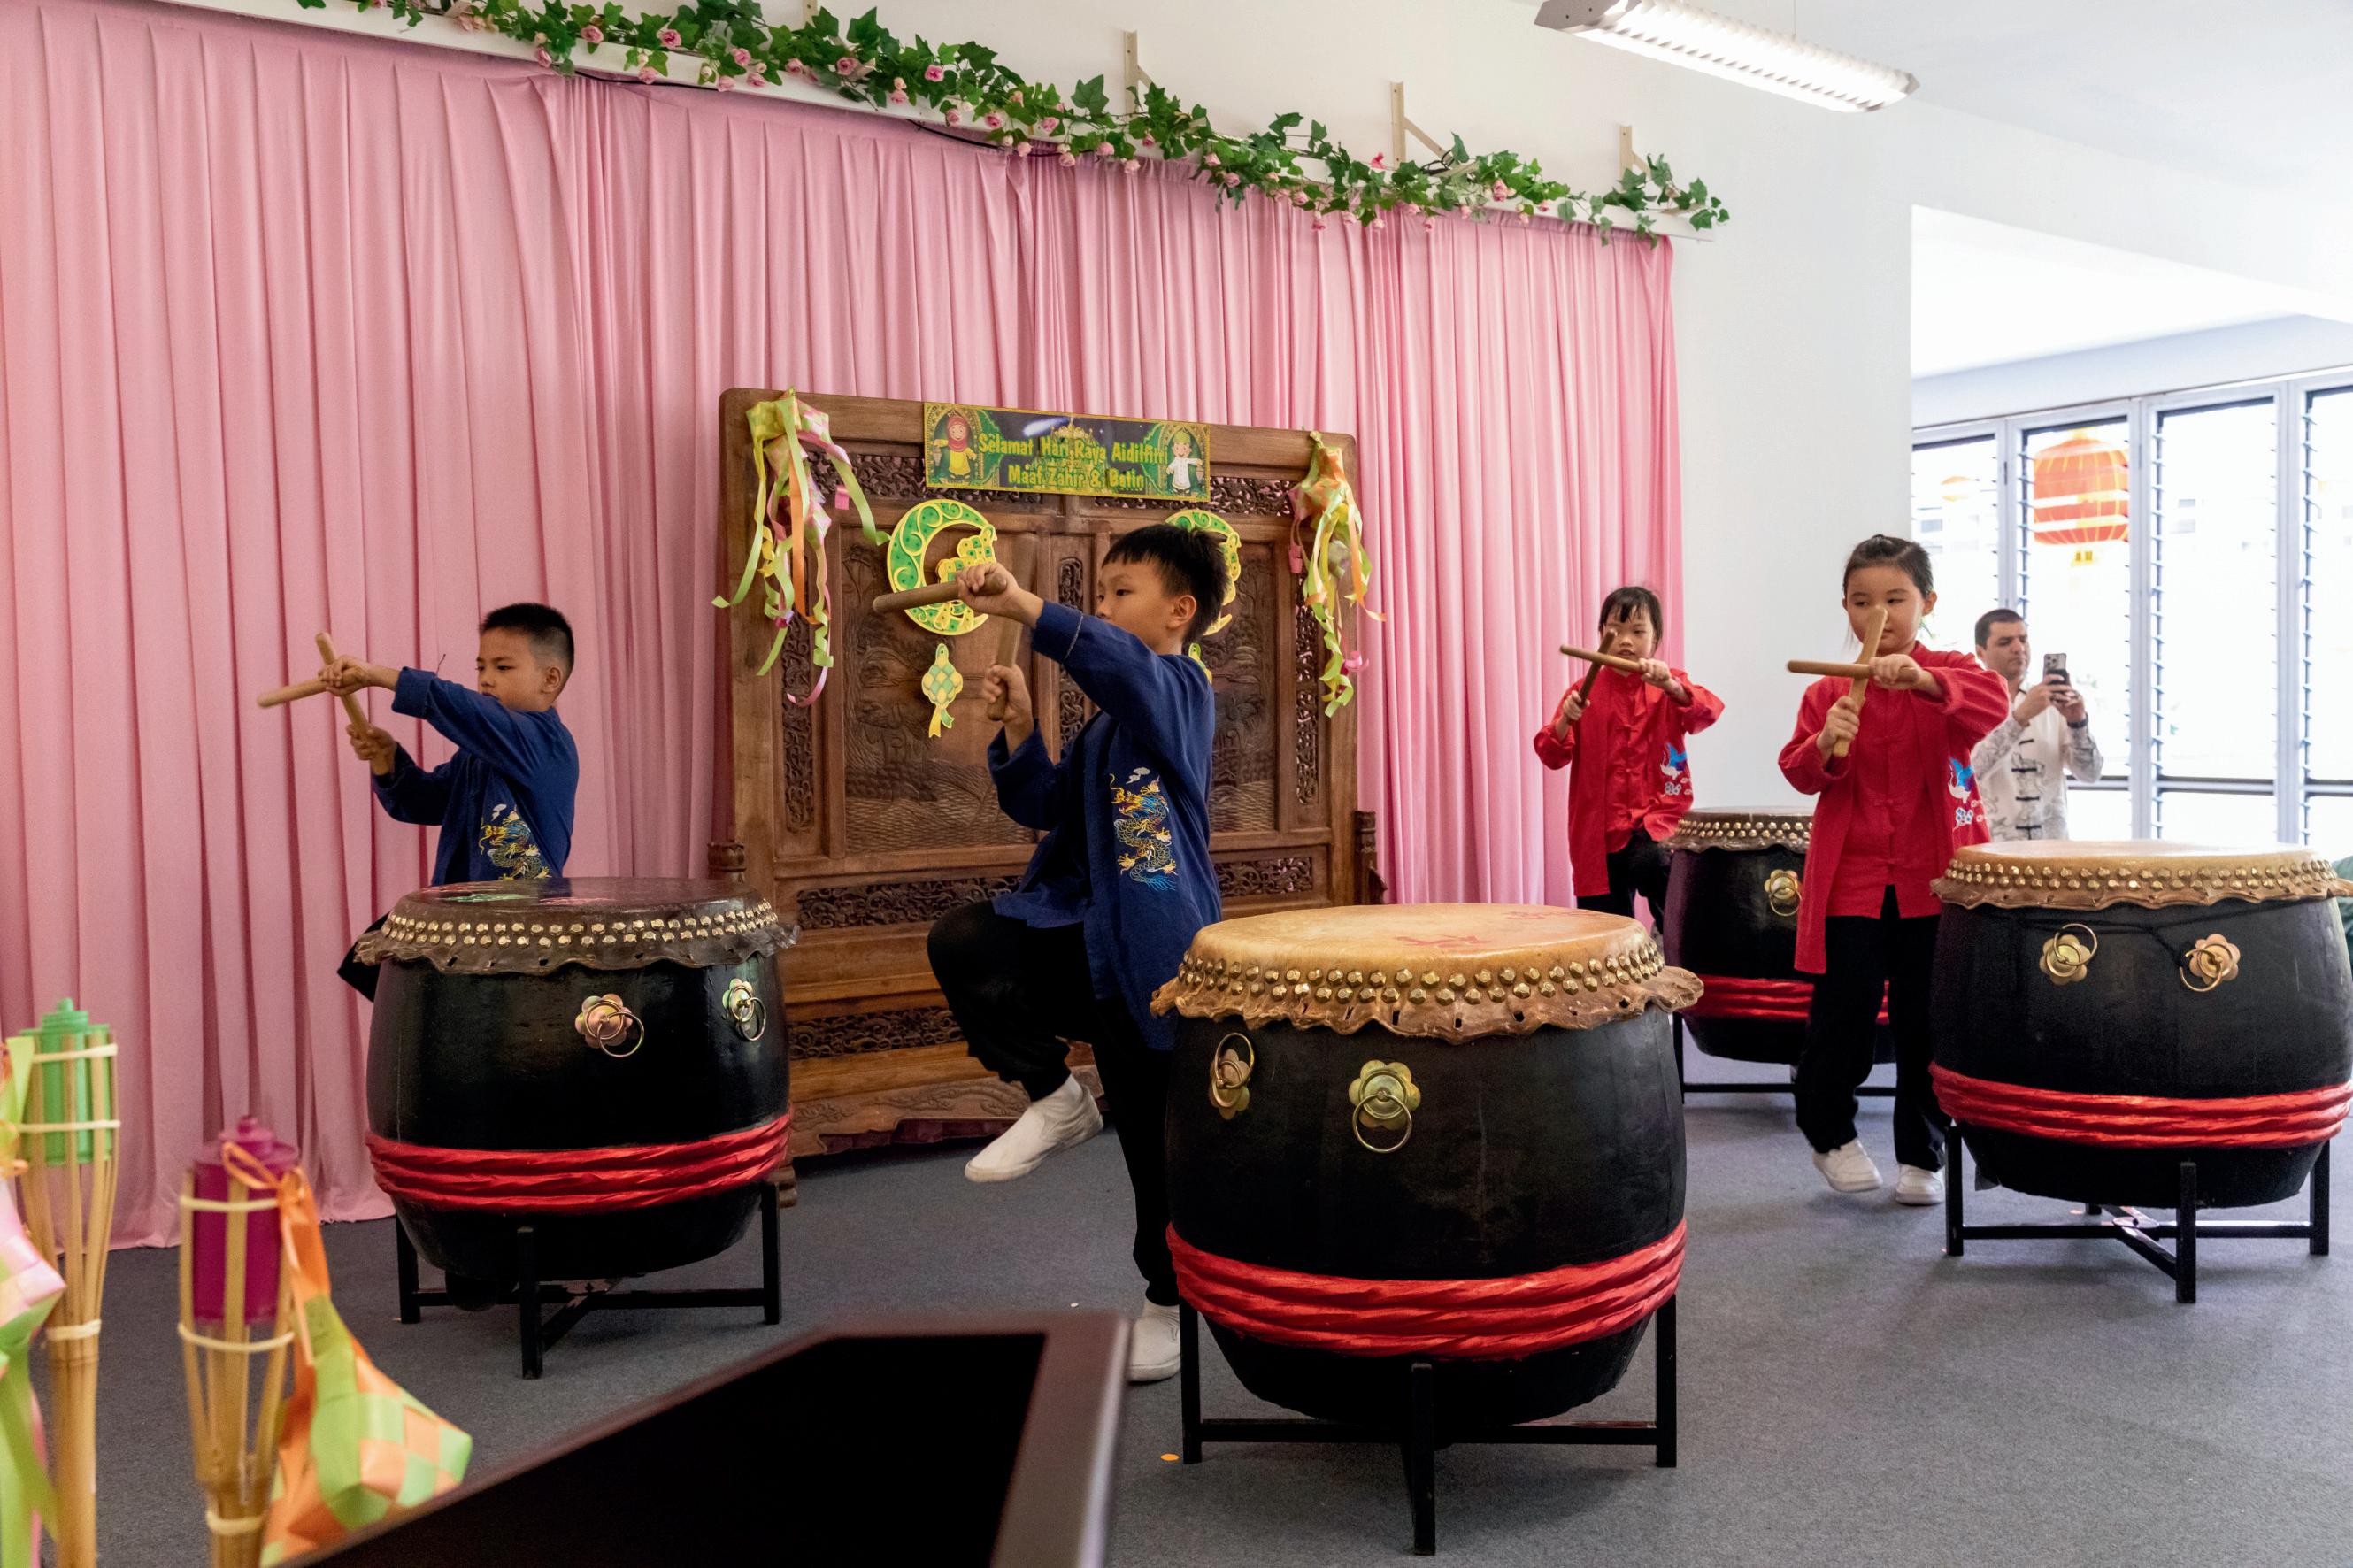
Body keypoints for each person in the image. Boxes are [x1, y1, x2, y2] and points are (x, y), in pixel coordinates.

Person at [925, 524, 1226, 1384]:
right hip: (1087, 937)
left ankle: (1167, 1304)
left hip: (1154, 954)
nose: (1104, 606)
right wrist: (1021, 729)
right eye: (1100, 594)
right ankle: (1056, 1096)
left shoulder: (1180, 690)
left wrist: (1025, 606)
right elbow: (1045, 805)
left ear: (1179, 610)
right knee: (967, 942)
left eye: (1121, 592)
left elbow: (1122, 667)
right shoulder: (1108, 726)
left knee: (1155, 1148)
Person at [1779, 537, 2008, 1205]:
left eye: (1894, 599)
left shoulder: (1949, 672)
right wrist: (1825, 742)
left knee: (1925, 1022)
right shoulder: (1829, 688)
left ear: (1926, 603)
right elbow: (1798, 771)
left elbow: (1991, 704)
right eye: (1860, 601)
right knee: (1842, 1018)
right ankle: (1829, 1134)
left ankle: (1923, 1153)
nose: (1876, 613)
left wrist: (1924, 681)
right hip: (1850, 882)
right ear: (1845, 607)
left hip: (1933, 879)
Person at [323, 604, 581, 995]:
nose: (486, 679)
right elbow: (424, 802)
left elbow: (466, 709)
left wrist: (375, 674)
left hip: (520, 933)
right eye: (481, 667)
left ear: (550, 678)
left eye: (503, 667)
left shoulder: (546, 744)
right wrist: (387, 758)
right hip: (465, 926)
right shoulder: (477, 755)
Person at [1533, 586, 1722, 923]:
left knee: (1656, 865)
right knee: (1603, 930)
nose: (1625, 641)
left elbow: (1708, 712)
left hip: (1658, 817)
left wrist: (1672, 686)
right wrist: (1565, 721)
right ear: (1601, 634)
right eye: (1615, 631)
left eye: (1637, 632)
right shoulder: (1582, 692)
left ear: (1655, 638)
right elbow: (1551, 755)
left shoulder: (1669, 685)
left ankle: (1670, 942)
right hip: (1598, 831)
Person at [1970, 609, 2103, 842]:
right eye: (2005, 642)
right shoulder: (1970, 703)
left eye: (2023, 639)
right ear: (1980, 651)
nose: (2018, 648)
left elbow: (2090, 774)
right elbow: (1970, 773)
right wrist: (2020, 717)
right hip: (1991, 848)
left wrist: (2077, 722)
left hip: (2051, 850)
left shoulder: (2054, 703)